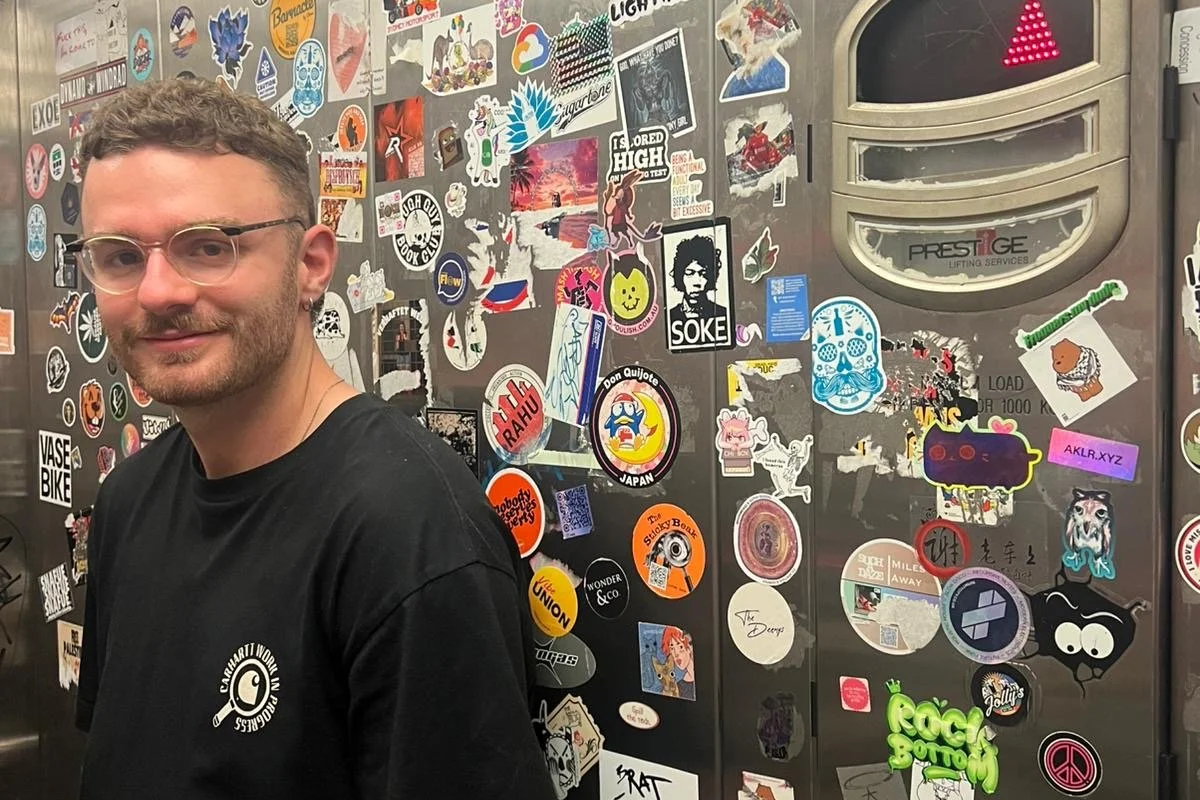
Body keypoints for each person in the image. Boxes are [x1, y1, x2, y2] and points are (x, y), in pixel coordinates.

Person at [71, 78, 556, 800]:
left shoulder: (409, 535)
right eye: (119, 257)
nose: (158, 292)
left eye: (208, 246)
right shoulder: (126, 504)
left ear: (311, 264)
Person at [667, 234, 727, 327]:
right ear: (680, 276)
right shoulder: (669, 316)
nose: (696, 282)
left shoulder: (723, 313)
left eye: (703, 274)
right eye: (690, 273)